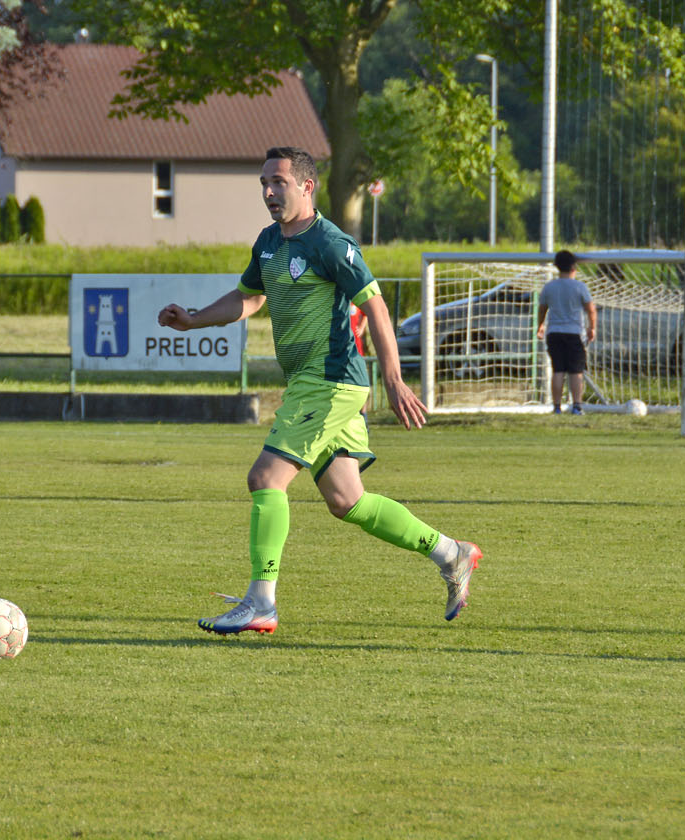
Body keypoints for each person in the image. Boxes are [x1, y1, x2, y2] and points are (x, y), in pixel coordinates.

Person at [158, 146, 481, 636]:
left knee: (266, 478)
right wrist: (196, 319)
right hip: (312, 385)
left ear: (307, 187)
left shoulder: (331, 243)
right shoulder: (268, 242)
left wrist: (394, 378)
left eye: (278, 183)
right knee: (346, 500)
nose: (268, 192)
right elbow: (250, 297)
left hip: (330, 382)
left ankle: (260, 602)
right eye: (264, 183)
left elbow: (375, 309)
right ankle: (451, 553)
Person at [535, 249, 597, 414]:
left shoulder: (549, 287)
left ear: (557, 267)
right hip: (573, 333)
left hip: (554, 333)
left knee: (558, 370)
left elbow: (542, 309)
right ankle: (577, 406)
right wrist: (592, 328)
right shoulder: (579, 286)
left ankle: (556, 407)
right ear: (574, 267)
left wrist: (540, 325)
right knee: (576, 371)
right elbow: (591, 309)